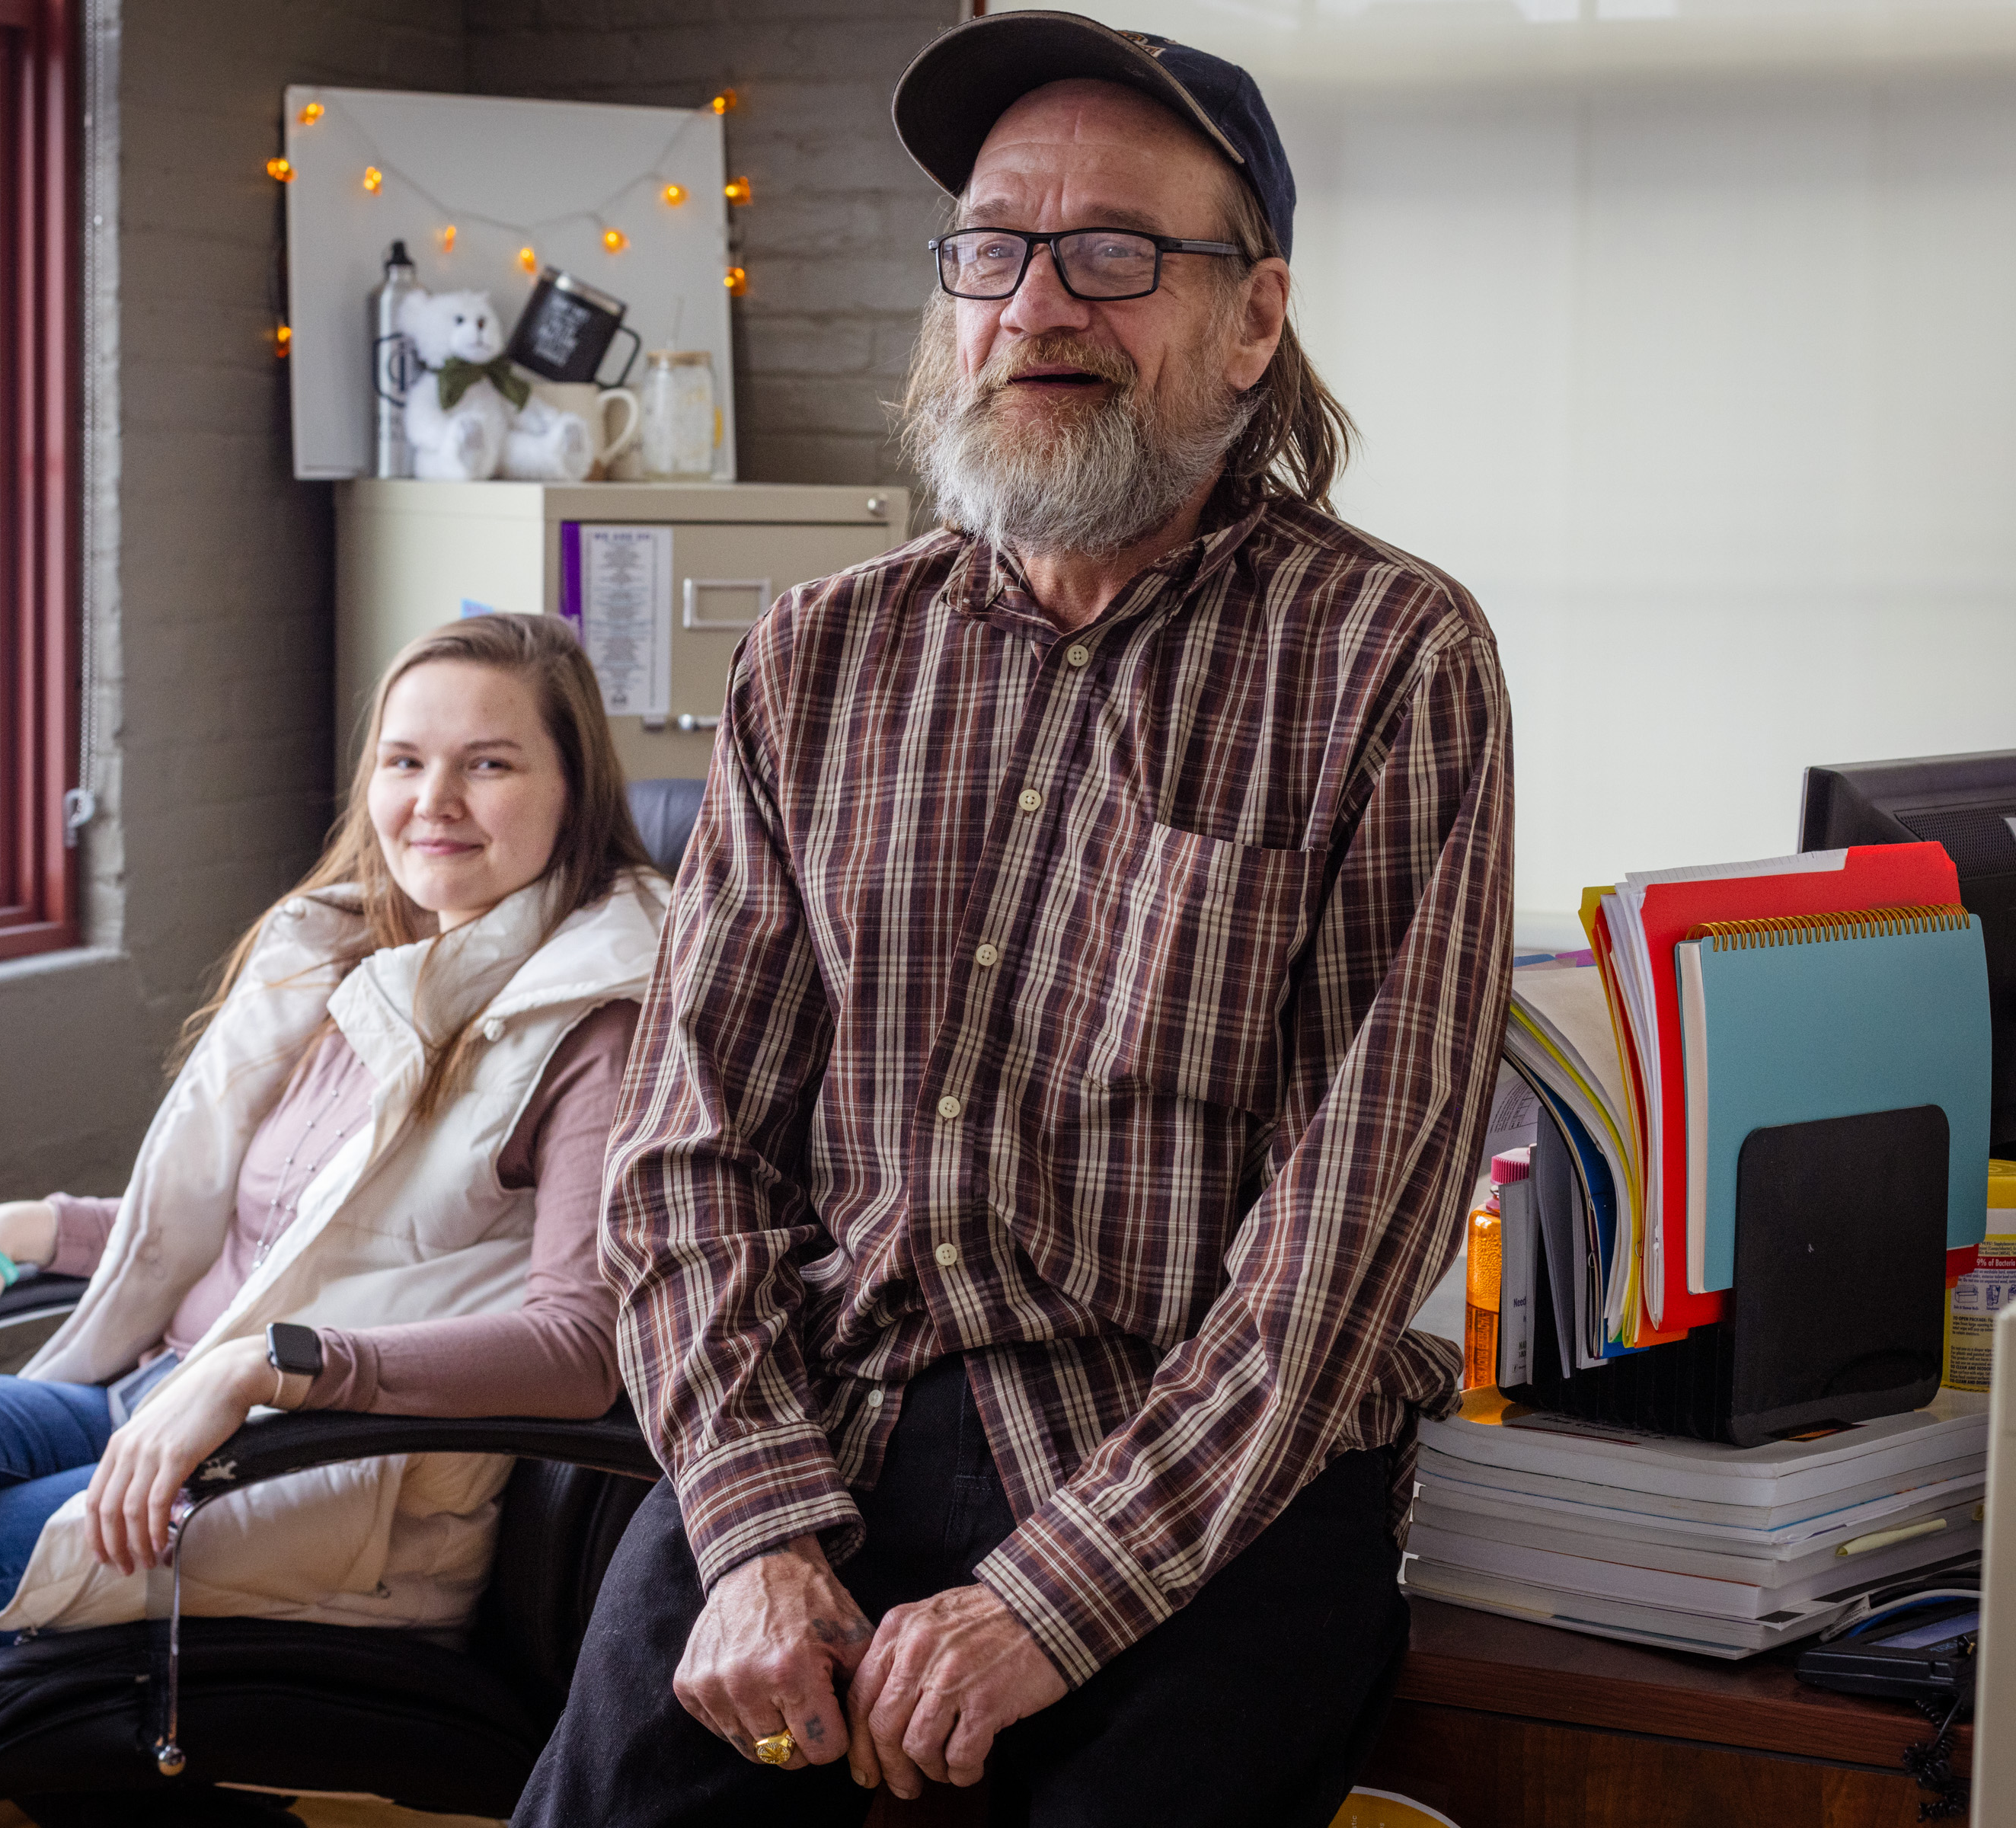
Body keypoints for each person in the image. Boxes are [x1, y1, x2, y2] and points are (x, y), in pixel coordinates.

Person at [516, 15, 1514, 1828]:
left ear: (1252, 321)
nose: (1037, 303)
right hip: (822, 1436)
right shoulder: (820, 657)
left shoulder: (1391, 661)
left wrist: (1047, 1604)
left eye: (1116, 254)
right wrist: (748, 1530)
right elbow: (686, 1153)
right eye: (992, 246)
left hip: (1194, 1482)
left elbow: (1342, 1243)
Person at [0, 612, 665, 1828]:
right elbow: (275, 1226)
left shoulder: (593, 1021)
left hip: (320, 1487)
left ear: (571, 789)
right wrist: (24, 1229)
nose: (434, 799)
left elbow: (577, 1347)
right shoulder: (359, 960)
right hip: (159, 1400)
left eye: (489, 763)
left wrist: (269, 1368)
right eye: (405, 760)